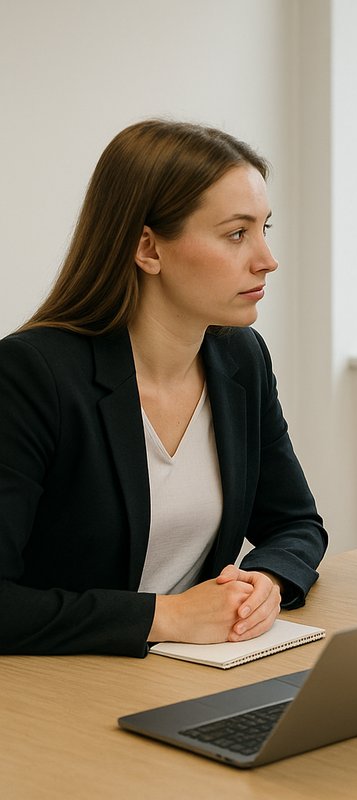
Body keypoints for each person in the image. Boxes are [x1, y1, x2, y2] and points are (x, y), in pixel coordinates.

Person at [0, 120, 328, 656]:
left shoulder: (241, 359)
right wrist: (165, 615)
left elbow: (295, 522)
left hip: (191, 672)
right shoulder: (32, 374)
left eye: (266, 229)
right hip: (59, 691)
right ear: (148, 249)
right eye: (237, 233)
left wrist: (266, 583)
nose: (267, 259)